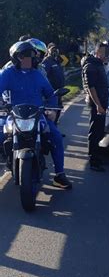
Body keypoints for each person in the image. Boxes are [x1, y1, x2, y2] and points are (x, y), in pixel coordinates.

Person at [0, 41, 72, 189]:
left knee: (56, 137)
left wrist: (51, 109)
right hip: (14, 115)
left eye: (31, 55)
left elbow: (50, 94)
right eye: (25, 55)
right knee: (1, 136)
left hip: (38, 115)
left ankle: (59, 174)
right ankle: (7, 160)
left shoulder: (38, 75)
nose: (29, 58)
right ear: (17, 58)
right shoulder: (7, 74)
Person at [82, 42, 109, 171]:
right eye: (104, 53)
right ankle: (93, 160)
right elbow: (91, 87)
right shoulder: (91, 66)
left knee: (99, 131)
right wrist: (98, 105)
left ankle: (97, 156)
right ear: (97, 52)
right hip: (96, 104)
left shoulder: (99, 65)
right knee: (94, 132)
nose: (106, 56)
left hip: (102, 102)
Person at [41, 43, 66, 124]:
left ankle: (55, 127)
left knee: (58, 109)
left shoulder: (56, 60)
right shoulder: (47, 61)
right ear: (48, 50)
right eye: (52, 49)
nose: (54, 51)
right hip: (52, 91)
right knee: (52, 111)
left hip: (59, 90)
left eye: (56, 50)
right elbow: (44, 75)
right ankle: (51, 128)